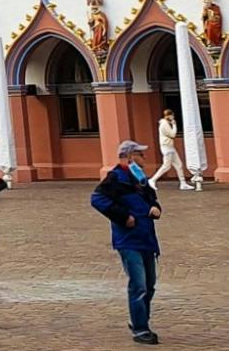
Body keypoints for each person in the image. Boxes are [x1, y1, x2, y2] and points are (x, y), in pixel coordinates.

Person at [91, 139, 162, 345]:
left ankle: (137, 319)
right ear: (129, 156)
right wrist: (124, 217)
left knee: (149, 285)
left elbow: (152, 199)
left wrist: (155, 207)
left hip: (146, 237)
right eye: (140, 155)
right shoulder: (115, 178)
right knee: (138, 285)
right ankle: (141, 328)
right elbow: (98, 199)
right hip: (128, 239)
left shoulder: (140, 179)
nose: (144, 159)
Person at [147, 108, 199, 191]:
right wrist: (174, 125)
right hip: (166, 147)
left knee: (178, 165)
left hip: (170, 147)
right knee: (166, 166)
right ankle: (152, 180)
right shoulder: (164, 124)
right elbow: (172, 134)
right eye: (172, 116)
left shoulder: (166, 123)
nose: (173, 117)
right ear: (169, 116)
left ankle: (183, 183)